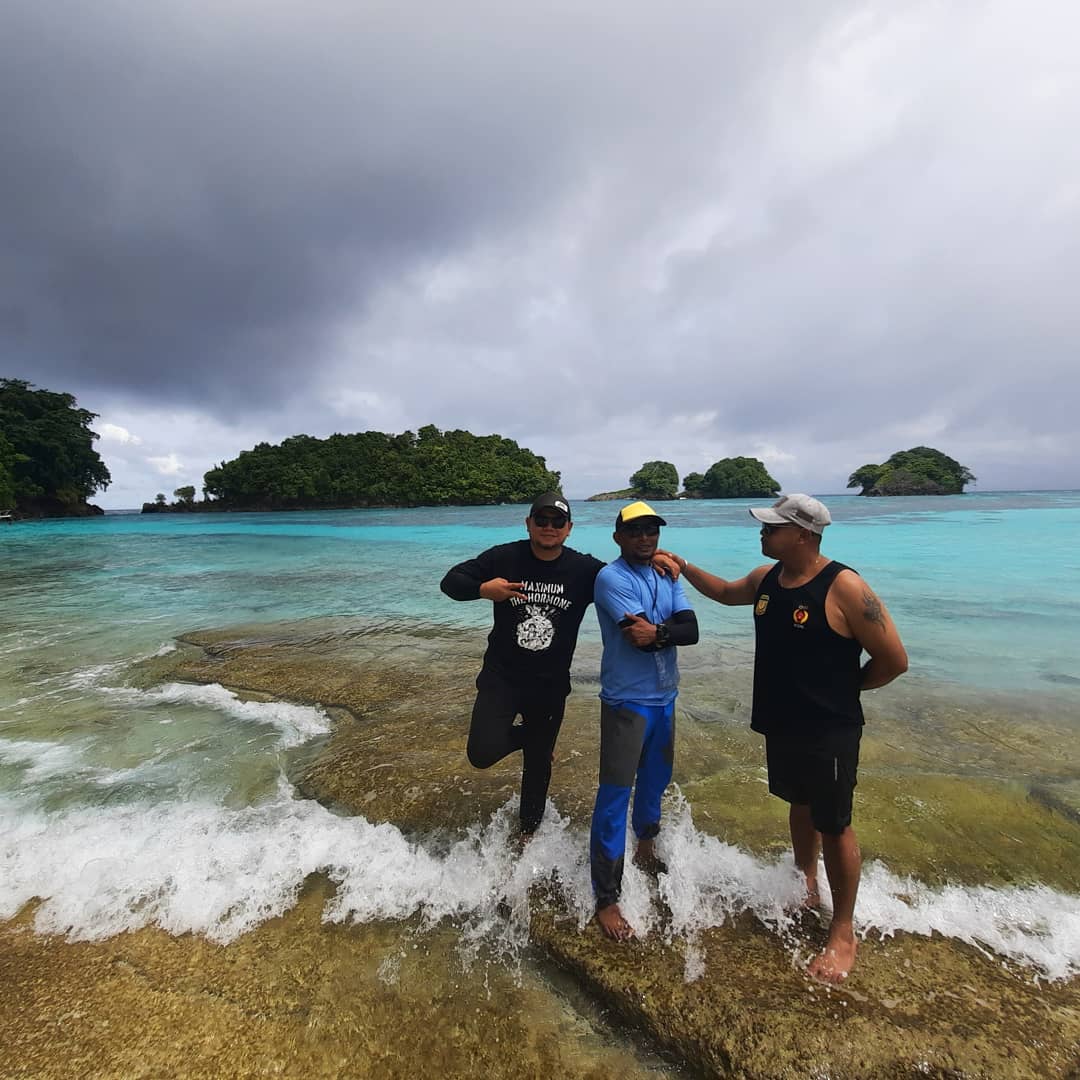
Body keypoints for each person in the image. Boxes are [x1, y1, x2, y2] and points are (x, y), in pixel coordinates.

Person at [656, 493, 908, 982]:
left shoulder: (845, 587)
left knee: (834, 823)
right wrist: (683, 565)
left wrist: (846, 688)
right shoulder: (767, 578)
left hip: (829, 726)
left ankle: (842, 930)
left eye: (772, 528)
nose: (763, 533)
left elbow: (894, 660)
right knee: (799, 803)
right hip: (783, 721)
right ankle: (805, 882)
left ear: (803, 534)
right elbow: (728, 592)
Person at [439, 493, 604, 840]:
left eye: (557, 522)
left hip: (549, 685)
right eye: (541, 520)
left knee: (537, 770)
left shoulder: (584, 570)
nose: (549, 527)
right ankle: (537, 741)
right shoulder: (505, 557)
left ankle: (527, 836)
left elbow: (624, 582)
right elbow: (451, 582)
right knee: (481, 752)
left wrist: (659, 564)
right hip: (502, 677)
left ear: (569, 529)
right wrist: (484, 589)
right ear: (528, 524)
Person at [591, 501, 699, 940]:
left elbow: (690, 629)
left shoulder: (665, 572)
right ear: (618, 537)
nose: (645, 539)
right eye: (635, 532)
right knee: (616, 794)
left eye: (651, 531)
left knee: (655, 782)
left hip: (665, 699)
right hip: (627, 702)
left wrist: (661, 632)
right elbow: (637, 639)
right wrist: (662, 632)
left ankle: (646, 850)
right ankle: (606, 897)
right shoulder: (610, 578)